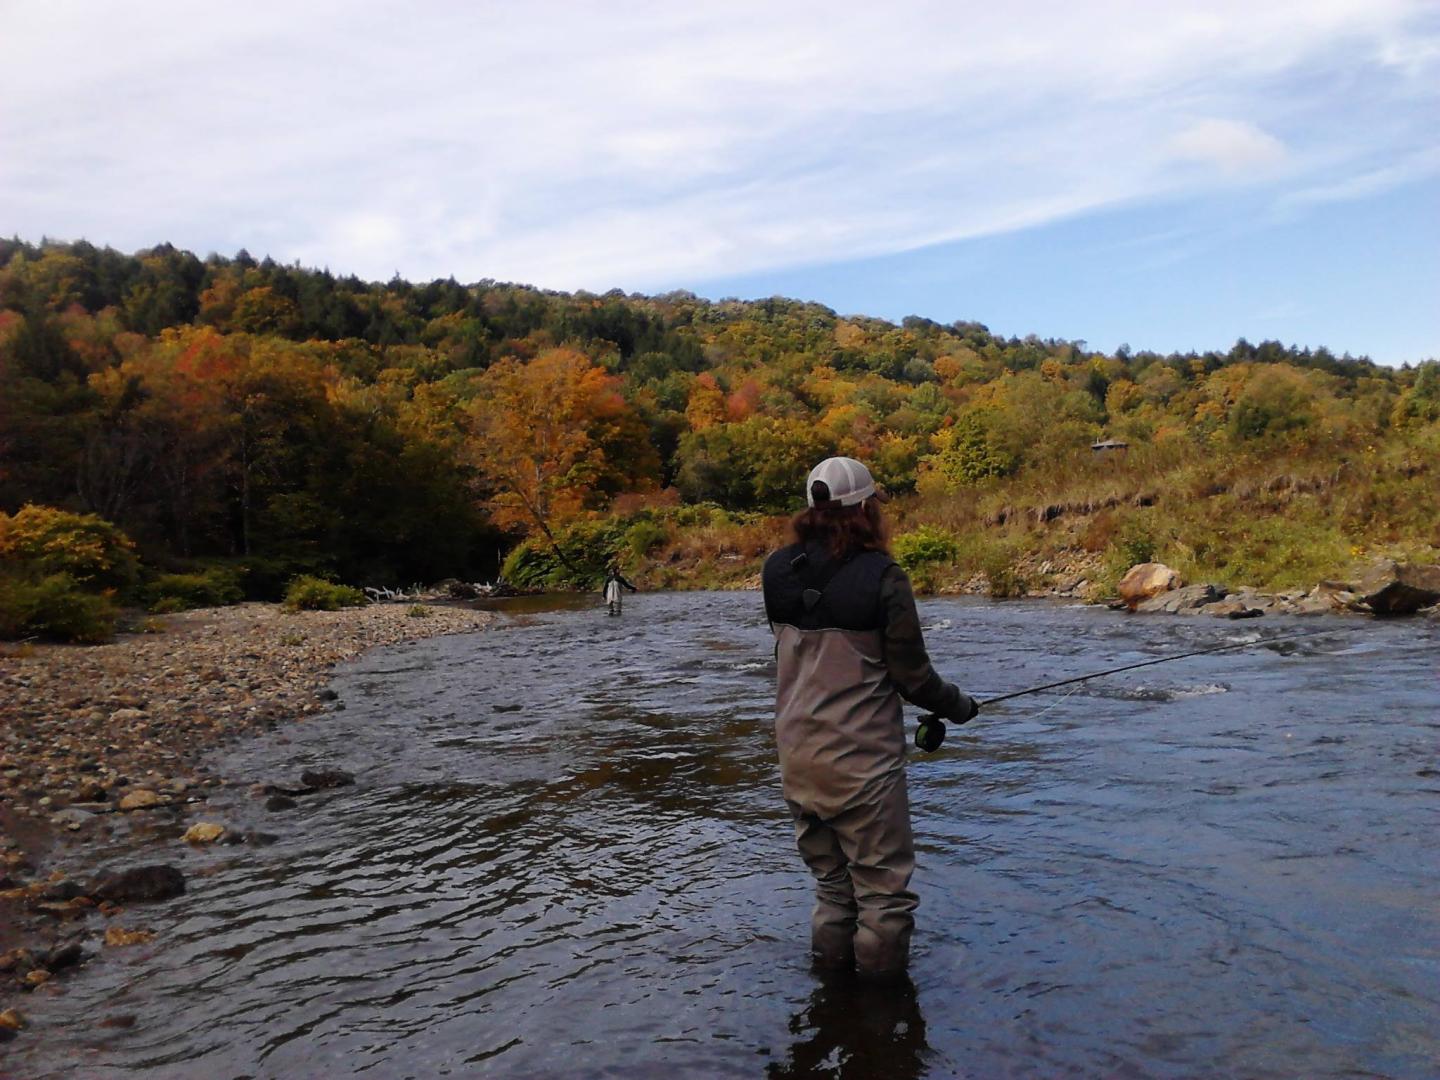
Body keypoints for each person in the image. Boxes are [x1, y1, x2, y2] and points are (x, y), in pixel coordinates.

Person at [761, 456, 979, 980]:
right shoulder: (884, 578)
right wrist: (960, 706)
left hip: (797, 758)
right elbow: (914, 679)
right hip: (862, 766)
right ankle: (883, 1015)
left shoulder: (776, 571)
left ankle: (832, 1000)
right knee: (883, 898)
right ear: (864, 510)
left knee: (833, 891)